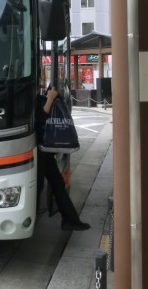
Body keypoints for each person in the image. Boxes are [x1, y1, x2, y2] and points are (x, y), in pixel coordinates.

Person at [36, 87, 90, 231]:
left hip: (43, 150)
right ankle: (69, 220)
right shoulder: (23, 95)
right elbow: (40, 117)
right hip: (36, 149)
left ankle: (70, 220)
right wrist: (50, 99)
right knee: (42, 185)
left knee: (57, 183)